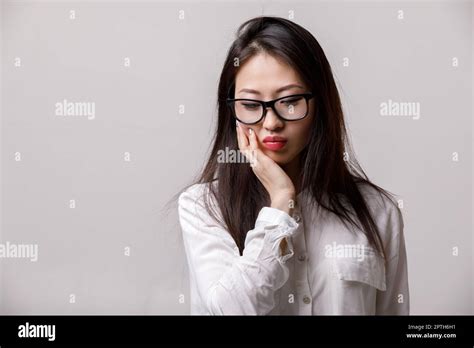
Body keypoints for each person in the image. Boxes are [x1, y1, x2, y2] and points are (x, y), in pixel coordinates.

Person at [177, 16, 409, 315]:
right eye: (250, 105)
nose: (271, 122)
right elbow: (232, 311)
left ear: (320, 105)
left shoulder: (378, 210)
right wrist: (280, 202)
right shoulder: (203, 207)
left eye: (290, 102)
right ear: (232, 111)